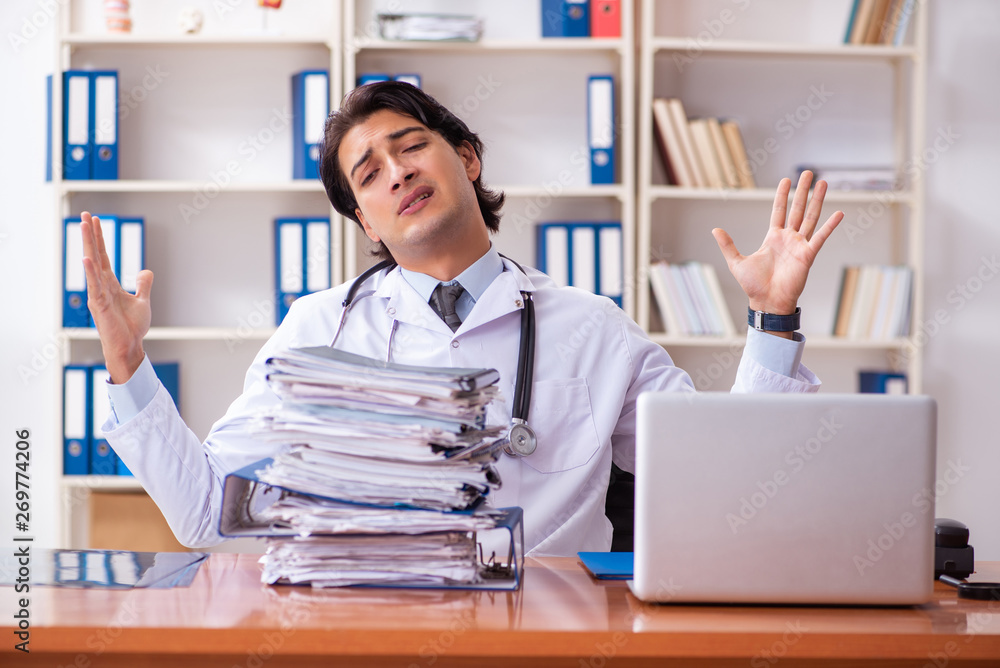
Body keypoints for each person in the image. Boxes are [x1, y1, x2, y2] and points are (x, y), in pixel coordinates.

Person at [81, 81, 843, 556]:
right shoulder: (317, 332)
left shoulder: (591, 328)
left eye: (411, 147)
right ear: (367, 225)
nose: (399, 173)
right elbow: (208, 514)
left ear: (468, 160)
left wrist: (773, 321)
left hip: (553, 641)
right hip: (372, 641)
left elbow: (729, 487)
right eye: (369, 176)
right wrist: (125, 362)